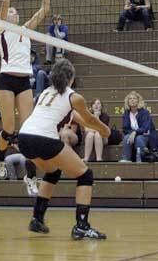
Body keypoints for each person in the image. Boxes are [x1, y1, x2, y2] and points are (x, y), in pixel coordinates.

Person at [18, 58, 110, 239]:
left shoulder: (46, 92)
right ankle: (82, 226)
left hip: (24, 137)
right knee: (85, 174)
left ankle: (37, 218)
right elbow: (90, 119)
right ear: (71, 78)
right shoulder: (74, 96)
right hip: (44, 139)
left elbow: (77, 117)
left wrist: (92, 127)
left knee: (52, 171)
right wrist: (105, 129)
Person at [0, 0, 50, 179]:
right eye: (11, 11)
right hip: (6, 81)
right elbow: (5, 0)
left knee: (27, 130)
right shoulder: (2, 28)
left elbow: (44, 9)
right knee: (9, 129)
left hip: (23, 83)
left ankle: (30, 176)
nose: (13, 12)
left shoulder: (26, 29)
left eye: (14, 11)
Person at [119, 91, 158, 163]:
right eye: (130, 99)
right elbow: (125, 128)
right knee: (126, 137)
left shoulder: (145, 112)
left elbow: (145, 128)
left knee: (139, 139)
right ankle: (126, 159)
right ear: (128, 102)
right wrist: (133, 133)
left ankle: (142, 159)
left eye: (134, 98)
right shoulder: (126, 113)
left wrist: (135, 132)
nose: (132, 100)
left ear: (138, 101)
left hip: (145, 135)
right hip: (133, 135)